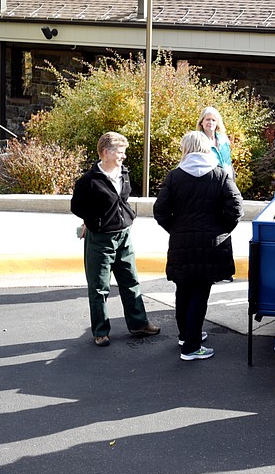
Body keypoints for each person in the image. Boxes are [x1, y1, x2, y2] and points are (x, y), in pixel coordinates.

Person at [153, 131, 243, 361]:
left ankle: (186, 336)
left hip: (181, 242)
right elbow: (236, 209)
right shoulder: (220, 175)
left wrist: (176, 228)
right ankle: (191, 347)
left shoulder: (175, 176)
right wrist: (220, 229)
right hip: (210, 245)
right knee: (200, 294)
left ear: (185, 149)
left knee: (183, 291)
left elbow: (160, 211)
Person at [70, 131, 161, 347]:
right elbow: (77, 207)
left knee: (130, 281)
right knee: (99, 287)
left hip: (124, 235)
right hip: (101, 239)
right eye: (120, 152)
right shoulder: (88, 181)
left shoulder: (124, 173)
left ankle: (139, 324)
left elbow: (123, 199)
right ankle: (100, 331)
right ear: (105, 153)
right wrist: (93, 222)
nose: (124, 156)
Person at [197, 106, 234, 178]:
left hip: (228, 180)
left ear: (217, 123)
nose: (211, 122)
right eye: (208, 119)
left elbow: (229, 163)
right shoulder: (198, 141)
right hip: (211, 182)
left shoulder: (224, 139)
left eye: (213, 120)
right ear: (201, 122)